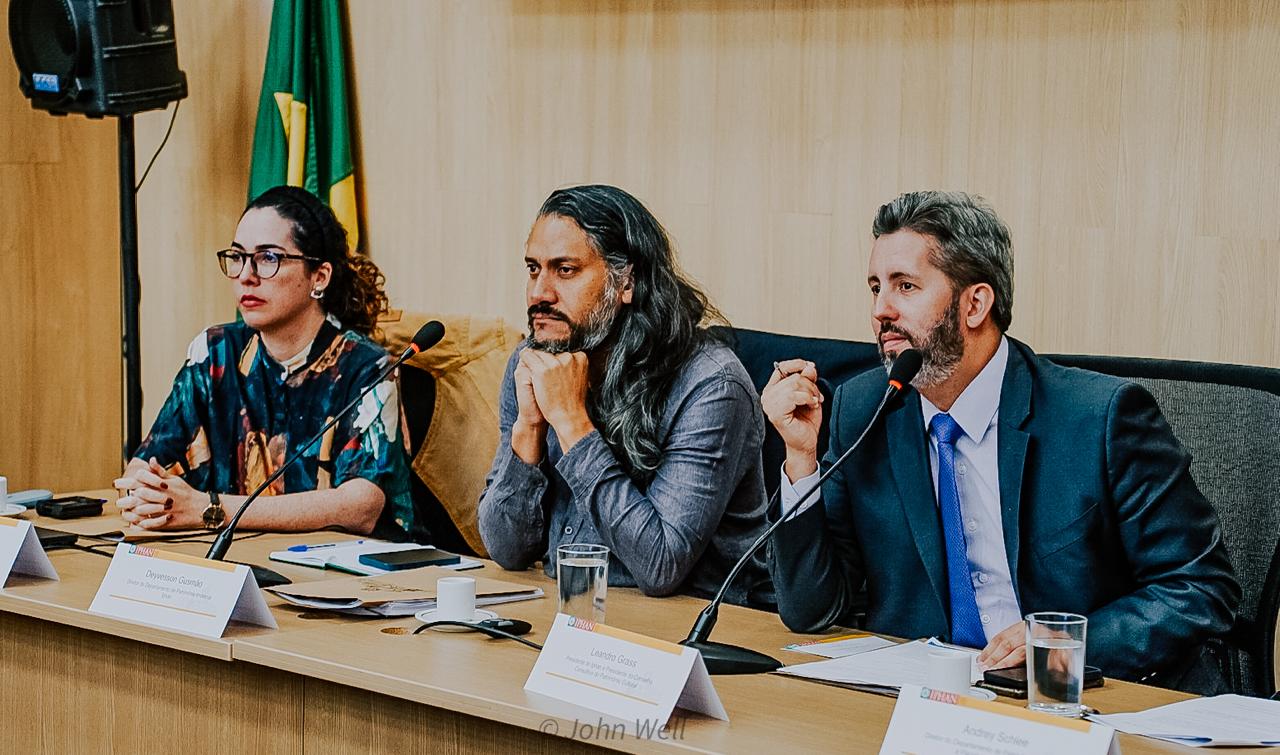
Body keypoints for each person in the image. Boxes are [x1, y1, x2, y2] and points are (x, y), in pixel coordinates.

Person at [764, 191, 1239, 684]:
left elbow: (1200, 587)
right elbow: (812, 613)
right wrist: (801, 459)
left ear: (975, 304)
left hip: (1073, 697)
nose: (881, 310)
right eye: (875, 287)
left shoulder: (1098, 417)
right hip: (929, 703)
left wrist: (1057, 648)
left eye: (905, 287)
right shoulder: (866, 409)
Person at [477, 184, 766, 601]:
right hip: (579, 617)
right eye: (533, 269)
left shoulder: (711, 386)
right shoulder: (534, 361)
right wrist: (528, 429)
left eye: (565, 270)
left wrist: (573, 423)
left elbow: (660, 566)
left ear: (625, 282)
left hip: (699, 636)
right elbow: (507, 550)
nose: (540, 293)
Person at [114, 185, 417, 540]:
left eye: (268, 258)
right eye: (238, 257)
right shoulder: (215, 352)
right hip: (233, 558)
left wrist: (209, 508)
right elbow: (144, 464)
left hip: (337, 576)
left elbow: (360, 506)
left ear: (319, 277)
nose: (246, 275)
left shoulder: (367, 367)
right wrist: (145, 493)